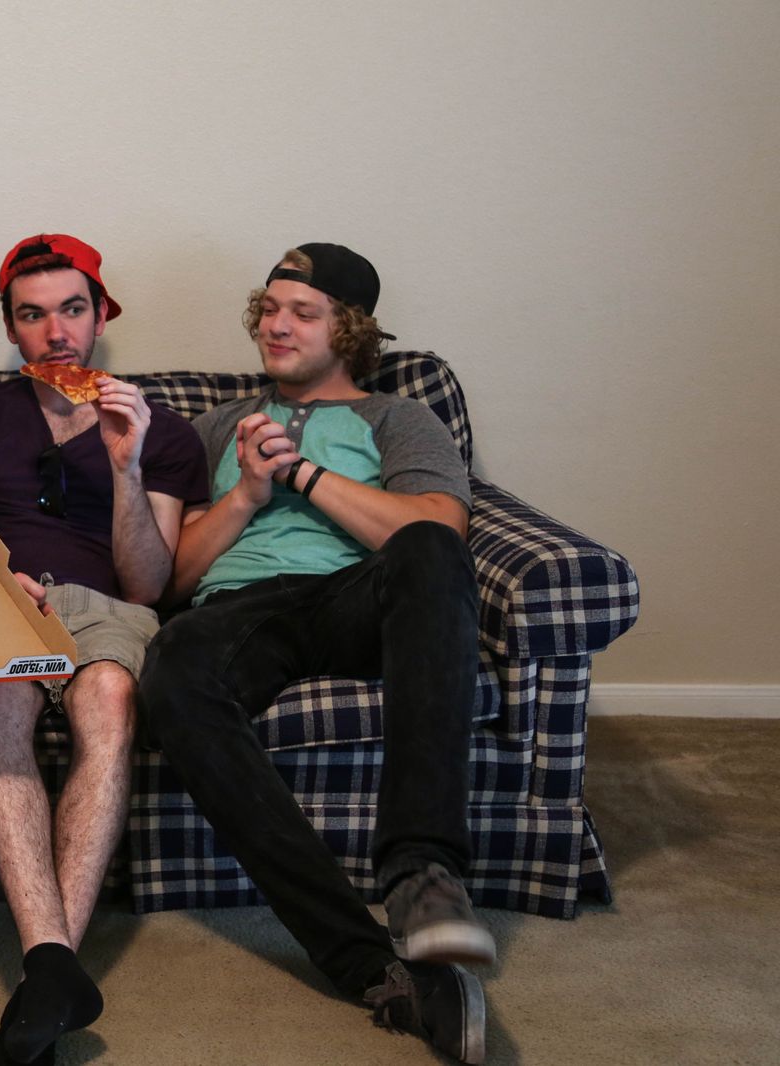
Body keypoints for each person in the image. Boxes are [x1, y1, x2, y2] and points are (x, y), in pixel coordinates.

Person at [138, 243, 495, 1063]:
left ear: (351, 330)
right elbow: (169, 578)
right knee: (173, 669)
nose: (277, 325)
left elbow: (437, 530)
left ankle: (421, 872)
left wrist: (301, 476)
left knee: (430, 548)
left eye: (303, 312)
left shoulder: (397, 419)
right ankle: (368, 963)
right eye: (269, 308)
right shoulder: (216, 426)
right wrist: (245, 493)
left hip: (353, 598)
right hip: (239, 611)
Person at [0, 234, 209, 1065]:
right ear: (12, 328)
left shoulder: (159, 429)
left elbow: (148, 585)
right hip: (5, 597)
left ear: (102, 315)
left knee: (109, 695)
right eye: (33, 315)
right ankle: (53, 966)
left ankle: (45, 973)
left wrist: (125, 465)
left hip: (108, 606)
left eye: (72, 309)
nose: (56, 332)